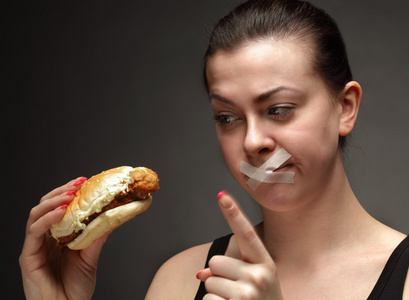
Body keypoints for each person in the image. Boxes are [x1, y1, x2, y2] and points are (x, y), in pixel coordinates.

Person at [19, 0, 409, 299]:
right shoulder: (178, 280)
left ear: (345, 108)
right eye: (227, 117)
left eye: (278, 110)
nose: (253, 142)